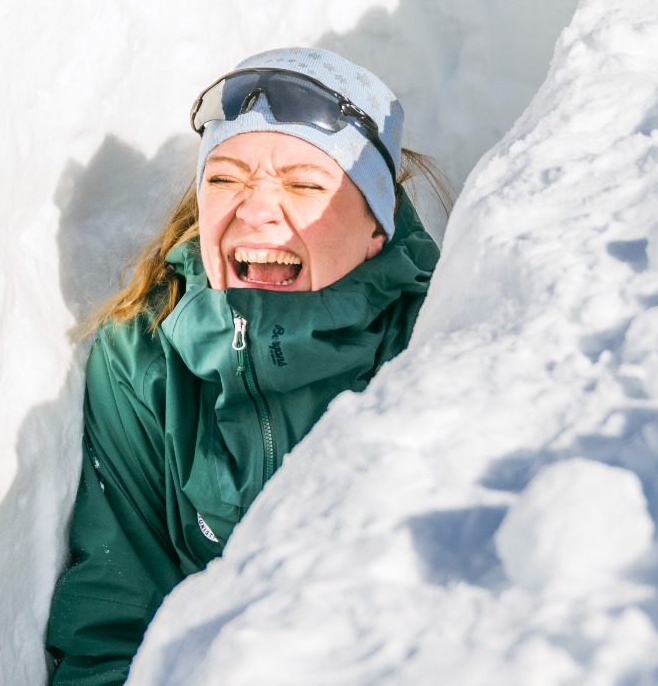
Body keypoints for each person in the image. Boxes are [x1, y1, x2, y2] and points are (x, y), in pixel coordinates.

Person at [44, 47, 444, 686]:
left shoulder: (436, 339)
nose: (254, 211)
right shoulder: (146, 352)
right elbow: (117, 604)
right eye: (225, 179)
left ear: (378, 224)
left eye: (305, 184)